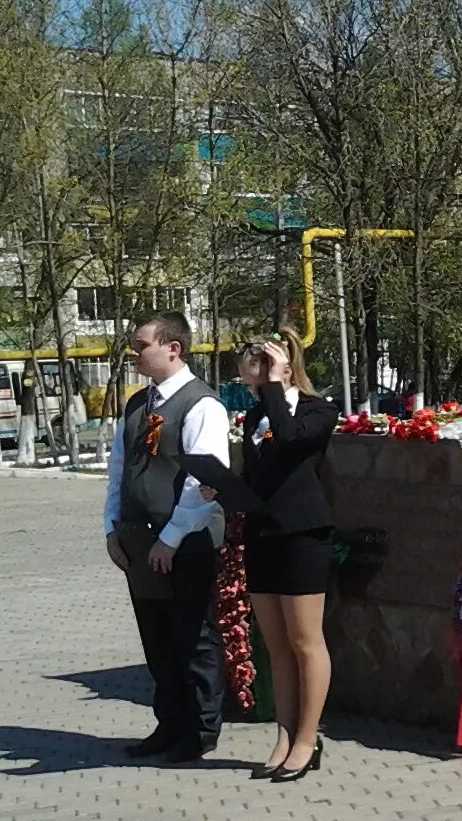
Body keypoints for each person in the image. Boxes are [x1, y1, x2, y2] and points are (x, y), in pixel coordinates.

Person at [103, 313, 230, 762]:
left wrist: (172, 537)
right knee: (157, 639)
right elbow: (119, 470)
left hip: (187, 540)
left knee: (193, 636)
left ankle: (201, 730)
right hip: (140, 540)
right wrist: (112, 528)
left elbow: (202, 481)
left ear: (173, 348)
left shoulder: (202, 405)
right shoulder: (138, 403)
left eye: (142, 346)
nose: (134, 354)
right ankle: (169, 722)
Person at [219, 329, 339, 783]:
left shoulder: (318, 411)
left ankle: (309, 738)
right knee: (277, 646)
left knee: (306, 641)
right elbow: (262, 476)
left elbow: (291, 442)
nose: (253, 380)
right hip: (263, 533)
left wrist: (273, 386)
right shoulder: (255, 417)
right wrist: (226, 490)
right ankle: (286, 735)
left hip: (304, 534)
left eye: (261, 368)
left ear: (284, 367)